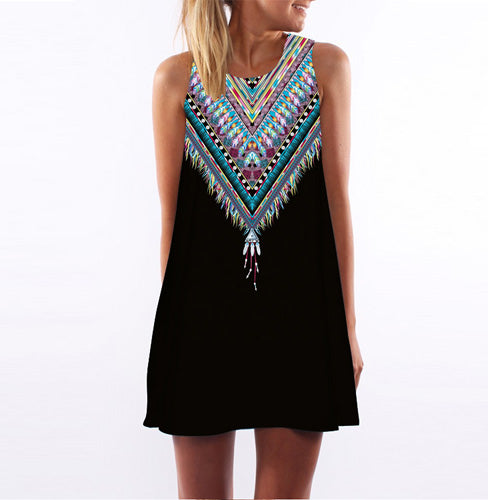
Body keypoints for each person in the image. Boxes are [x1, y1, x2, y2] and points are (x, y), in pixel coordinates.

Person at [143, 0, 364, 498]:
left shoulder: (325, 67)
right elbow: (173, 223)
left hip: (301, 325)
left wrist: (347, 329)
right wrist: (177, 336)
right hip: (201, 326)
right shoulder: (176, 79)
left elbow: (336, 206)